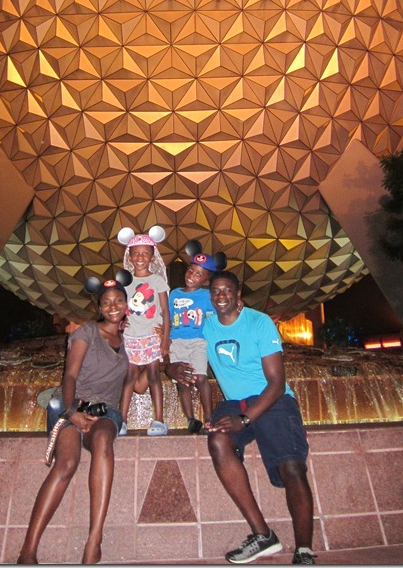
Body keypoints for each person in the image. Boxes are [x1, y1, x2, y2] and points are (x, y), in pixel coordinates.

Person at [171, 270, 315, 565]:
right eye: (215, 291)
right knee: (218, 441)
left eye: (227, 290)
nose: (220, 295)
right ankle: (263, 535)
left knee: (291, 467)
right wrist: (169, 366)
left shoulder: (259, 322)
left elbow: (276, 383)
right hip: (234, 403)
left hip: (272, 399)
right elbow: (176, 340)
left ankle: (304, 550)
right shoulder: (205, 326)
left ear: (238, 295)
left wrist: (245, 420)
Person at [17, 278, 129, 565]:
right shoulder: (86, 332)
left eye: (118, 301)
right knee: (66, 463)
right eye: (106, 302)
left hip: (106, 411)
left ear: (127, 305)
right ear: (100, 307)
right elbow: (70, 375)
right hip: (73, 404)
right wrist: (70, 412)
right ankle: (28, 551)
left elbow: (138, 383)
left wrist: (166, 360)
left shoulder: (130, 341)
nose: (113, 306)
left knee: (103, 438)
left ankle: (94, 540)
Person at [118, 229, 171, 436]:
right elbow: (120, 307)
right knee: (130, 376)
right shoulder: (125, 281)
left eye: (145, 253)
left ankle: (159, 420)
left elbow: (165, 311)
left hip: (151, 335)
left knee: (154, 375)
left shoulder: (157, 280)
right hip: (131, 336)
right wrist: (121, 323)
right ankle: (121, 421)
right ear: (130, 256)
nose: (140, 258)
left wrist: (165, 339)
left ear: (152, 257)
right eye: (136, 253)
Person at [167, 251, 217, 433]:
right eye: (190, 270)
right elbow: (168, 317)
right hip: (177, 341)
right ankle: (190, 419)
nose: (191, 276)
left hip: (198, 341)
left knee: (201, 378)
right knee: (183, 381)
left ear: (205, 280)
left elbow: (217, 314)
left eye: (198, 274)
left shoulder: (207, 295)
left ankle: (209, 417)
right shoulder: (174, 294)